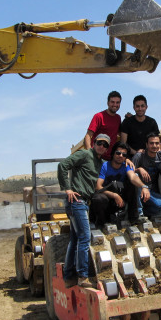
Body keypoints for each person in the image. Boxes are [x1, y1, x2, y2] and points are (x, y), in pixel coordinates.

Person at [57, 133, 109, 288]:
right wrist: (67, 189)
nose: (102, 146)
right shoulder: (84, 154)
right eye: (99, 143)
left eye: (105, 145)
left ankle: (68, 276)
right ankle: (82, 276)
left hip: (84, 202)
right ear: (94, 143)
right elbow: (62, 166)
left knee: (75, 239)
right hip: (77, 201)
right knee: (85, 238)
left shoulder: (102, 163)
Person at [91, 142, 150, 227]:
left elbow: (133, 177)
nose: (121, 156)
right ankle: (100, 223)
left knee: (132, 183)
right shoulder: (105, 165)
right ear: (113, 153)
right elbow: (98, 187)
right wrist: (114, 195)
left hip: (121, 199)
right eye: (118, 153)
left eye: (124, 154)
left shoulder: (126, 165)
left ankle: (133, 218)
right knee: (98, 198)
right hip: (108, 197)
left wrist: (143, 186)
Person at [131, 133, 161, 219]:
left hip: (152, 192)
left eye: (157, 143)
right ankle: (139, 213)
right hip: (138, 191)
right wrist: (139, 169)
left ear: (160, 144)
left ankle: (144, 212)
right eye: (151, 143)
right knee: (136, 175)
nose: (154, 145)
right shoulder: (139, 156)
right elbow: (129, 172)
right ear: (146, 144)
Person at [84, 91, 122, 160]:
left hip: (110, 158)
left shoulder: (118, 118)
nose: (115, 104)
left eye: (117, 102)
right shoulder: (98, 116)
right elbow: (88, 135)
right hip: (97, 157)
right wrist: (90, 154)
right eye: (112, 102)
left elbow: (120, 134)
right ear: (108, 103)